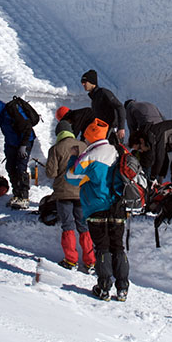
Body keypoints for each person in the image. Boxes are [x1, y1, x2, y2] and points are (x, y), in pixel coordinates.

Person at [66, 118, 130, 301]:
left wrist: (73, 157)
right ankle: (123, 288)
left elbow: (71, 176)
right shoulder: (118, 150)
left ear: (90, 137)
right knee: (118, 248)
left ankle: (103, 288)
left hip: (97, 207)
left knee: (102, 248)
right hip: (118, 206)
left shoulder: (91, 155)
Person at [45, 121, 94, 272]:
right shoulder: (84, 146)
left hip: (64, 193)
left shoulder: (55, 149)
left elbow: (51, 173)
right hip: (82, 193)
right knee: (84, 226)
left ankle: (71, 260)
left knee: (68, 225)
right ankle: (90, 261)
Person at [0, 98, 37, 209]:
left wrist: (23, 146)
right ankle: (17, 194)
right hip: (12, 144)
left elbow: (27, 129)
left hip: (24, 143)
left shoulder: (12, 112)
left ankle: (24, 197)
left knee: (21, 168)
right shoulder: (3, 116)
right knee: (10, 168)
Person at [80, 69, 127, 144]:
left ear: (92, 82)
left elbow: (120, 107)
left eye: (85, 82)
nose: (83, 84)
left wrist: (121, 128)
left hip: (112, 131)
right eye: (82, 82)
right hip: (102, 132)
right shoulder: (94, 97)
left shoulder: (103, 93)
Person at [123, 99, 164, 173]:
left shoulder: (130, 108)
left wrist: (131, 144)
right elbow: (162, 117)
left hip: (147, 126)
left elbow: (132, 130)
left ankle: (144, 172)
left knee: (145, 151)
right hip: (160, 128)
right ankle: (158, 175)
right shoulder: (148, 103)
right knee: (157, 152)